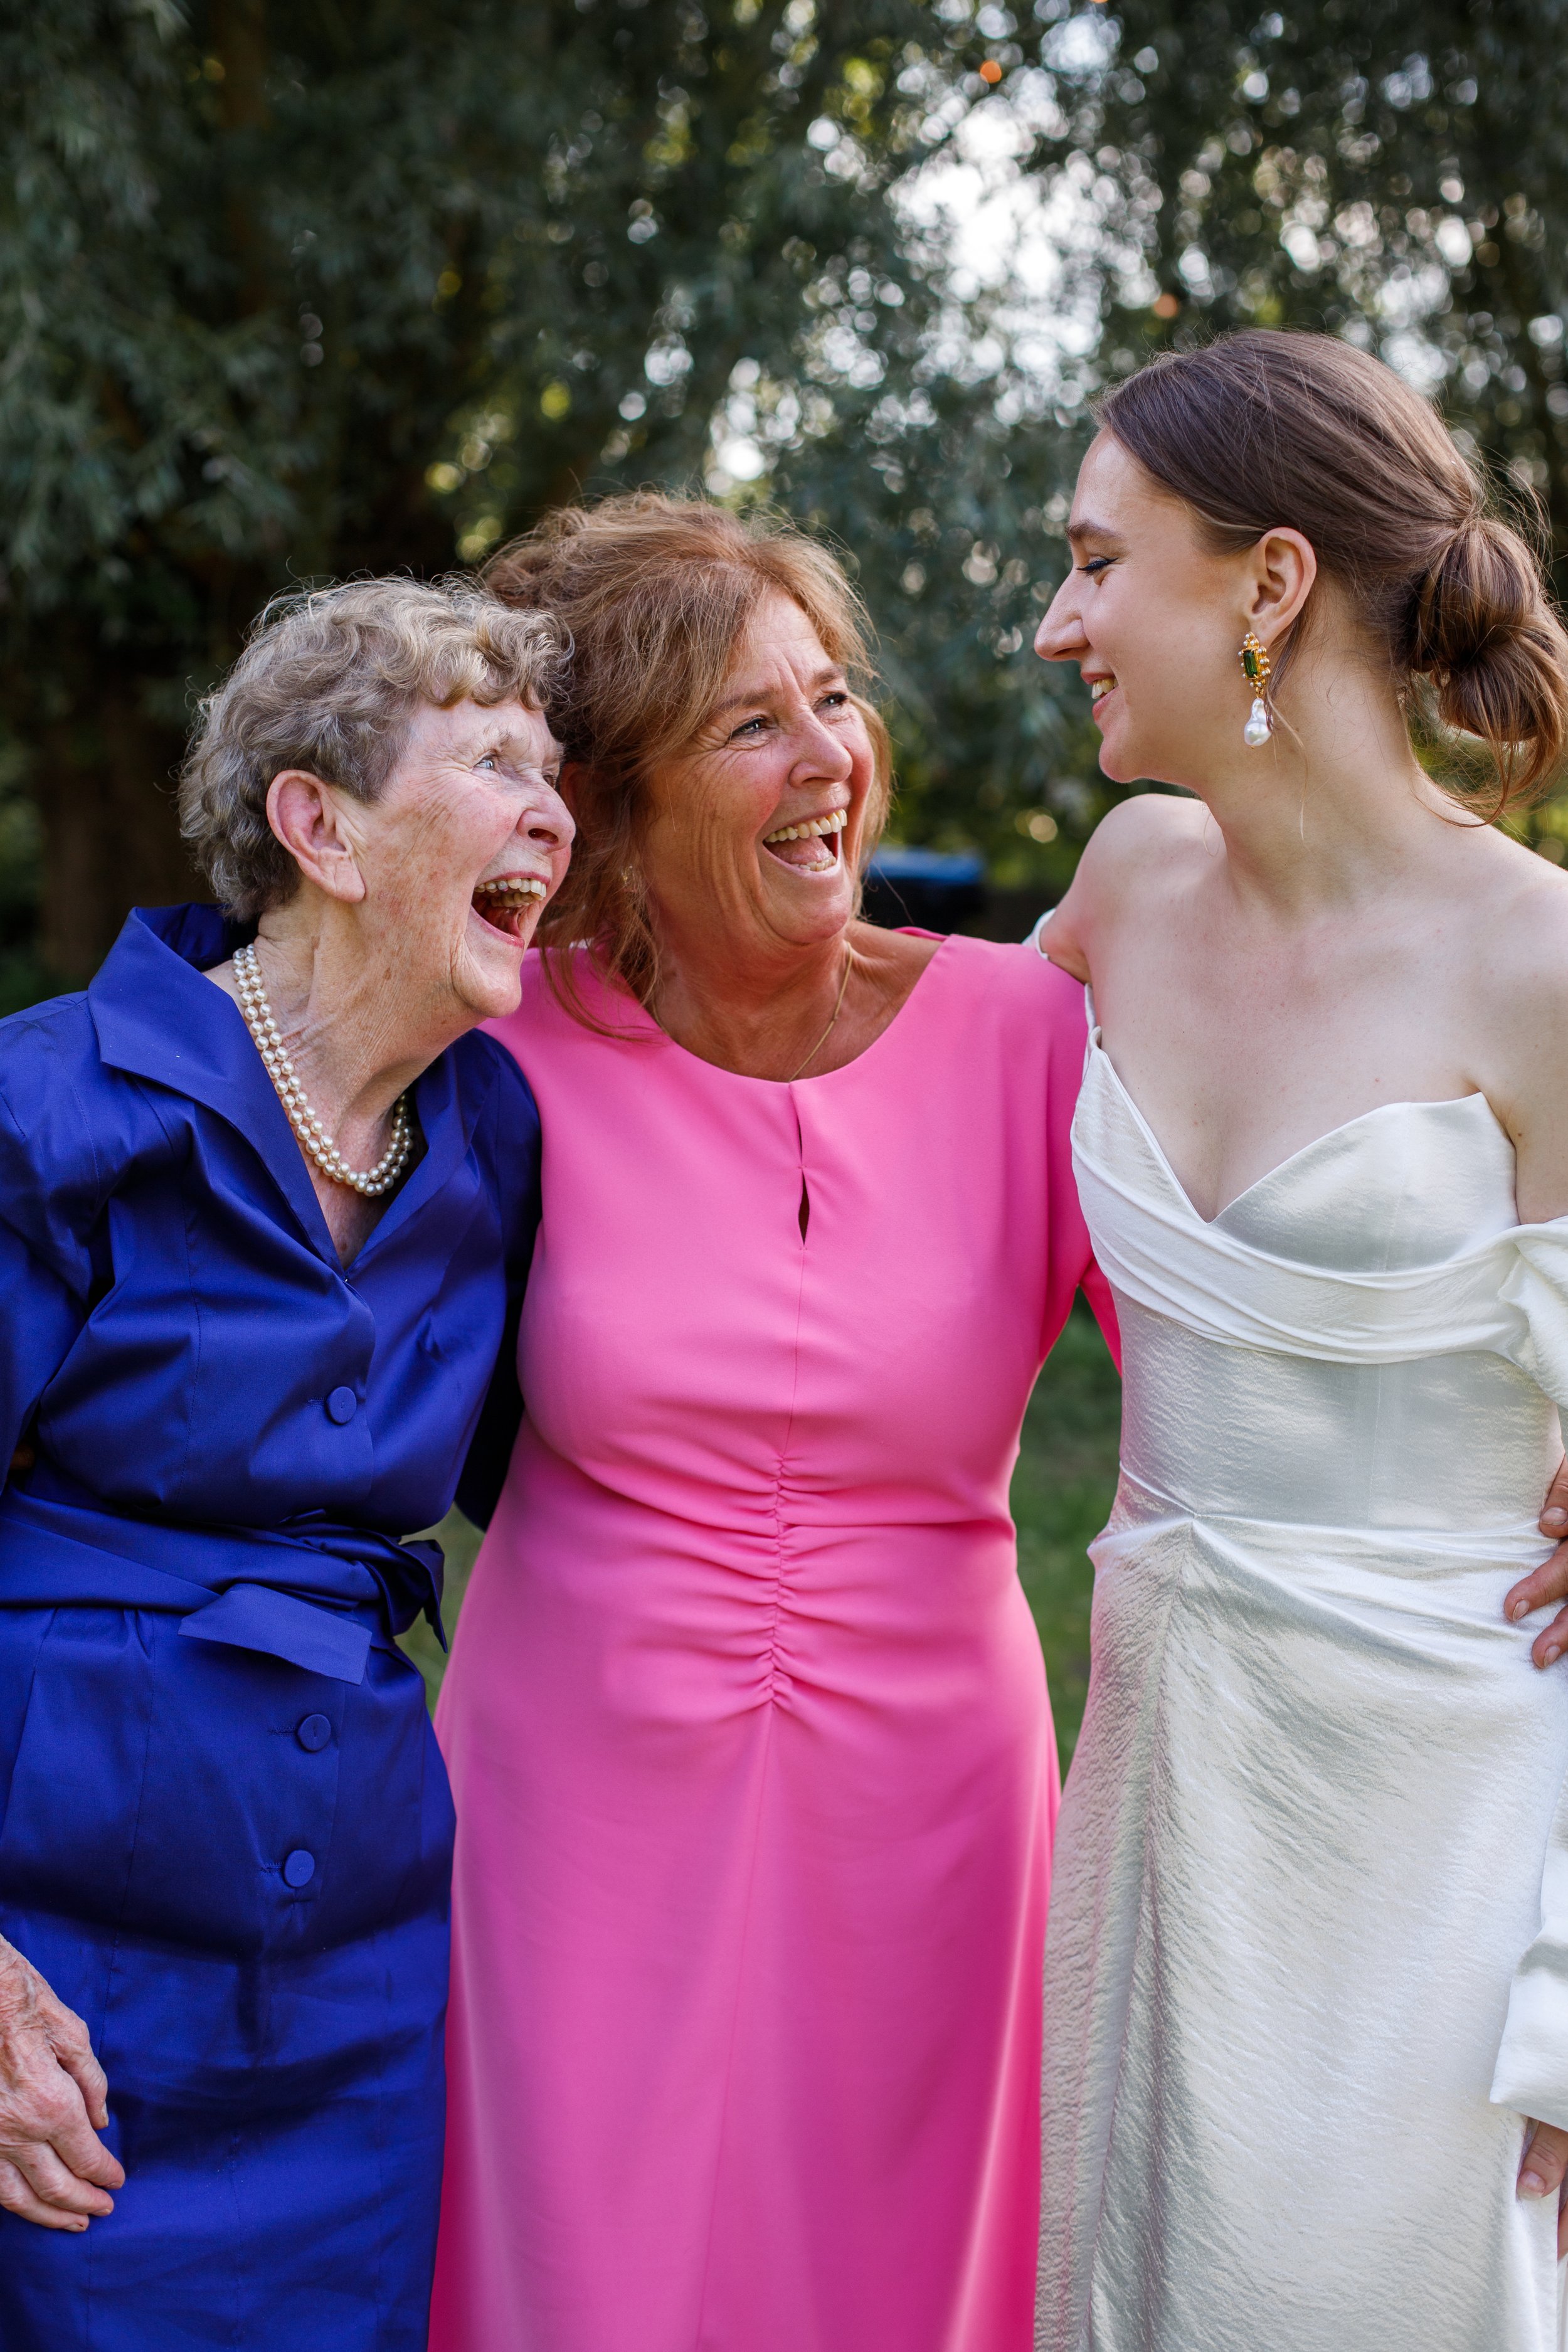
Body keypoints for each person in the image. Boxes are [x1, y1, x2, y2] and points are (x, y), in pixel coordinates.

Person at [426, 494, 1116, 2352]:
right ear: (614, 807)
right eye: (750, 725)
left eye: (833, 697)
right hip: (568, 1802)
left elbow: (1267, 1372)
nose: (830, 759)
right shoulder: (498, 1048)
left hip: (937, 1820)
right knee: (574, 2273)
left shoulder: (1034, 1037)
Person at [1031, 329, 1568, 2351]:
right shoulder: (1128, 881)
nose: (1055, 620)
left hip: (1445, 1828)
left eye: (1097, 563)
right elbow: (864, 1117)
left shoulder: (1539, 963)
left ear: (1265, 589)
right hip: (1168, 1788)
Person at [0, 578, 573, 2349]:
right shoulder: (49, 1111)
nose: (556, 809)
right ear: (316, 825)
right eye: (493, 761)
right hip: (52, 1967)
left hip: (356, 1982)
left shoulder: (489, 1133)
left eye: (557, 772)